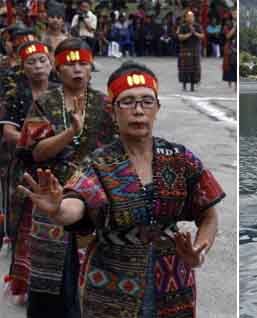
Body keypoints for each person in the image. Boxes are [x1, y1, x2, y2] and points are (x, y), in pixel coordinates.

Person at [19, 60, 225, 318]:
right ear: (113, 111)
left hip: (173, 281)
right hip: (110, 285)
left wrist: (199, 253)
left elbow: (208, 214)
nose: (138, 110)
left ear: (157, 108)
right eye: (127, 102)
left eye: (146, 101)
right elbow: (79, 203)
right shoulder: (100, 162)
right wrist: (58, 208)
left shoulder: (179, 158)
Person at [17, 37, 117, 318]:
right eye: (70, 65)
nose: (77, 70)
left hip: (96, 198)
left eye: (83, 64)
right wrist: (70, 133)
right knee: (51, 282)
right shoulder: (45, 103)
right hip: (51, 196)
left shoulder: (107, 105)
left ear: (91, 68)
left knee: (95, 277)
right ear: (57, 70)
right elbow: (33, 152)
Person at [0, 40, 57, 304]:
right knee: (26, 225)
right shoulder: (17, 95)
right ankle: (24, 283)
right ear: (23, 67)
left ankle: (58, 282)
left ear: (51, 63)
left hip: (58, 167)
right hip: (25, 168)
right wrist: (34, 140)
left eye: (42, 61)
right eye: (31, 62)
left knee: (57, 222)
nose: (37, 67)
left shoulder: (61, 92)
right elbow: (8, 132)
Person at [177, 10, 204, 92]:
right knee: (184, 69)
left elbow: (202, 36)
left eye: (192, 16)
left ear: (194, 18)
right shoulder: (182, 26)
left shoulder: (198, 26)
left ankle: (192, 86)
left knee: (194, 69)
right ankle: (184, 85)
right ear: (185, 18)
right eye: (188, 17)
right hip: (185, 50)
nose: (190, 18)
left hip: (195, 50)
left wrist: (195, 33)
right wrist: (189, 34)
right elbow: (180, 37)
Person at [222, 10, 236, 90]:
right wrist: (235, 27)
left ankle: (236, 85)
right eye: (234, 13)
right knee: (229, 64)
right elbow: (227, 36)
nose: (235, 15)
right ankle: (230, 81)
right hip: (230, 46)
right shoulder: (228, 24)